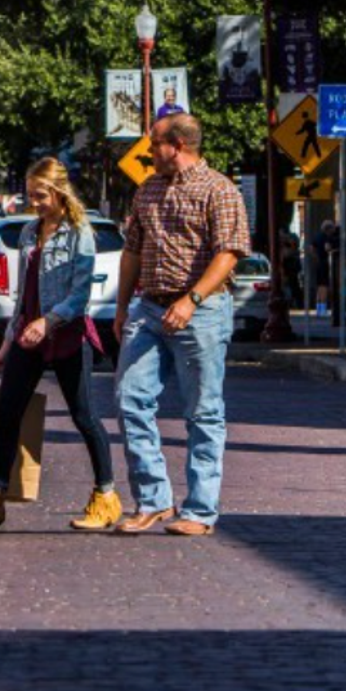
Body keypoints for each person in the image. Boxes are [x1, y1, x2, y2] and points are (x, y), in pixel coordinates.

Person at [0, 158, 120, 533]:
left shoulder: (80, 232)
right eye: (31, 195)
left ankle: (106, 495)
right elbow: (22, 296)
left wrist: (48, 322)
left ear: (59, 192)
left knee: (84, 416)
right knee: (7, 411)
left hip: (65, 335)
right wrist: (7, 343)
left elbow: (80, 296)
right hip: (28, 335)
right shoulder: (30, 231)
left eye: (41, 195)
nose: (35, 202)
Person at [114, 112, 250, 537]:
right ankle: (153, 499)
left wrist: (192, 300)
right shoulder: (148, 190)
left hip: (202, 312)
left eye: (154, 144)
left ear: (177, 145)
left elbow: (228, 254)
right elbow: (133, 251)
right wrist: (122, 307)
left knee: (203, 412)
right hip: (150, 310)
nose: (149, 152)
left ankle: (200, 510)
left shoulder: (219, 190)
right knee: (128, 397)